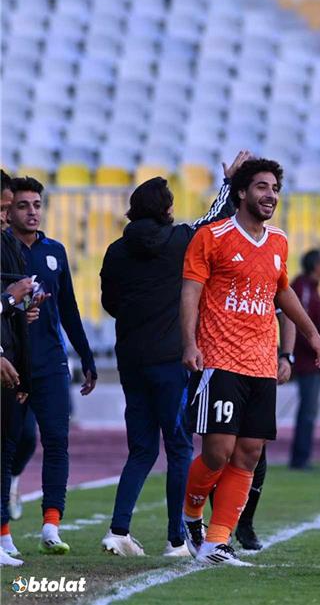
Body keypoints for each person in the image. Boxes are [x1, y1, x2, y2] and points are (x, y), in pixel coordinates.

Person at [97, 152, 250, 558]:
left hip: (131, 359)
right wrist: (230, 183)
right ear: (166, 209)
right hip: (170, 360)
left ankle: (118, 529)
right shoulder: (180, 240)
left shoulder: (115, 251)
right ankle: (176, 539)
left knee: (142, 448)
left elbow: (109, 302)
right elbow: (215, 219)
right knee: (179, 447)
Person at [179, 159, 320, 567]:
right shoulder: (212, 237)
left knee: (248, 454)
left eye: (275, 188)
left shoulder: (278, 241)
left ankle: (218, 542)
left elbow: (283, 293)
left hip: (261, 363)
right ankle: (191, 513)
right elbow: (191, 292)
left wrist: (312, 335)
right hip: (220, 359)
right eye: (262, 187)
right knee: (218, 452)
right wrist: (189, 343)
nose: (271, 195)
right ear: (242, 192)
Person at [7, 175, 97, 554]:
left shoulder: (55, 251)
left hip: (50, 361)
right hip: (11, 363)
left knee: (57, 440)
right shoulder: (4, 250)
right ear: (9, 210)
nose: (32, 212)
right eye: (23, 205)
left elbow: (69, 309)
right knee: (14, 441)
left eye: (37, 205)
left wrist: (86, 356)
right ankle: (4, 532)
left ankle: (51, 525)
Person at [210, 310, 296, 552]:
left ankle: (245, 523)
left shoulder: (271, 283)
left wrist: (287, 356)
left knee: (255, 449)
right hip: (223, 363)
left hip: (260, 366)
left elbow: (288, 312)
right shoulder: (218, 284)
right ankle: (216, 527)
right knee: (220, 449)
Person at [1, 169, 45, 567]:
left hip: (12, 361)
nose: (6, 216)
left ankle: (2, 535)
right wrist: (9, 300)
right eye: (3, 208)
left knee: (12, 446)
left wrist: (22, 307)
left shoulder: (9, 245)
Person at [288, 248, 320, 471]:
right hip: (308, 362)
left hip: (313, 361)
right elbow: (300, 324)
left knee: (308, 411)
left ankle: (301, 457)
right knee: (307, 412)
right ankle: (300, 459)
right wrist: (317, 352)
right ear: (315, 265)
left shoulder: (309, 288)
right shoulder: (304, 289)